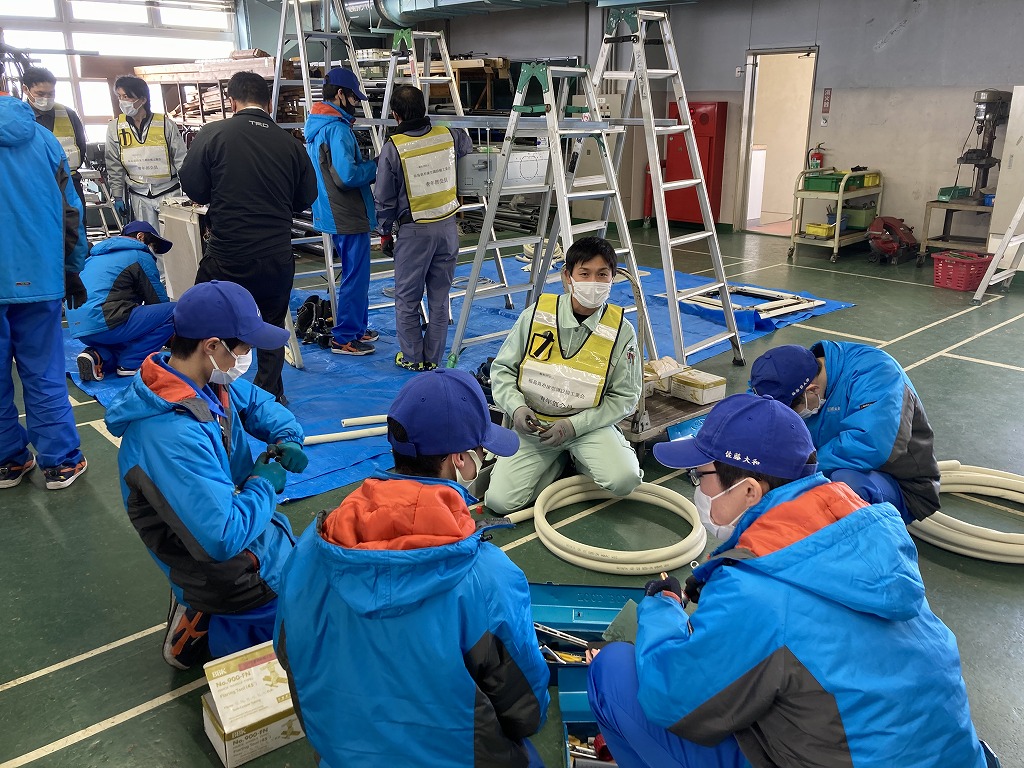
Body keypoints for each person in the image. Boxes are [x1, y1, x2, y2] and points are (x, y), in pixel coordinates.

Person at [586, 393, 991, 768]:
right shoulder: (868, 536)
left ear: (749, 491)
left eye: (699, 475)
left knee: (614, 672)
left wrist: (663, 608)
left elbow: (671, 698)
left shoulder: (755, 591)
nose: (697, 486)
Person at [274, 368, 550, 768]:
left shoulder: (309, 550)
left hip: (339, 753)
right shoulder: (488, 578)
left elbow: (288, 653)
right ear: (460, 459)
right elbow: (525, 710)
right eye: (481, 451)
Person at [104, 280, 308, 668]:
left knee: (301, 569)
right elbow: (221, 538)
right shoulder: (169, 434)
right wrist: (263, 483)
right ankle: (210, 624)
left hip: (233, 520)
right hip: (220, 564)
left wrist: (287, 437)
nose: (246, 357)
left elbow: (257, 403)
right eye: (243, 348)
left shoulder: (199, 382)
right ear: (212, 346)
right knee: (308, 619)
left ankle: (207, 613)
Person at [180, 71, 318, 404]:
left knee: (204, 321)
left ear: (232, 102)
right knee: (271, 325)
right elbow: (306, 197)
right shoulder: (290, 144)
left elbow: (193, 187)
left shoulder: (213, 134)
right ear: (268, 103)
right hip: (275, 254)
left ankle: (198, 392)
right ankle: (269, 398)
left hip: (228, 253)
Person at [484, 237, 642, 515]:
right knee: (499, 502)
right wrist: (516, 408)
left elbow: (625, 397)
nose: (593, 282)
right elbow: (502, 369)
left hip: (588, 427)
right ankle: (558, 462)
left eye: (602, 274)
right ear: (567, 277)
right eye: (584, 273)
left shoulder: (621, 331)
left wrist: (574, 427)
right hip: (534, 427)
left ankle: (579, 456)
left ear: (612, 278)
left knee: (624, 480)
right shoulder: (536, 315)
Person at [0, 96, 89, 490]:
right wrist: (72, 266)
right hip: (38, 277)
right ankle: (61, 462)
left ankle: (7, 460)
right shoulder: (43, 140)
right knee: (44, 373)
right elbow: (71, 211)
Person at [748, 341, 939, 523]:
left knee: (841, 486)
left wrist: (795, 473)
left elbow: (869, 445)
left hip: (902, 485)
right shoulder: (789, 375)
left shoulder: (877, 374)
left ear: (812, 391)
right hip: (833, 466)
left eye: (793, 411)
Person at [374, 84, 473, 371]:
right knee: (439, 299)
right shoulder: (449, 135)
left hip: (414, 231)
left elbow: (383, 197)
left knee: (407, 299)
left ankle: (413, 358)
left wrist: (384, 232)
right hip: (447, 229)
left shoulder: (394, 148)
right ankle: (433, 359)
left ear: (396, 115)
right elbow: (467, 147)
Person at [305, 67, 378, 356]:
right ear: (340, 95)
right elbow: (347, 176)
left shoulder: (318, 124)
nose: (356, 103)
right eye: (354, 97)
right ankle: (345, 336)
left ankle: (357, 328)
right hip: (347, 213)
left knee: (354, 273)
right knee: (355, 276)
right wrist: (377, 166)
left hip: (332, 210)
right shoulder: (337, 129)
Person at [69, 221, 175, 381]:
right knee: (175, 311)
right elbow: (158, 301)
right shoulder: (140, 255)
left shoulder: (95, 256)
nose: (152, 251)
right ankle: (132, 363)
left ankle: (97, 356)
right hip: (107, 320)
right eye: (153, 245)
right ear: (140, 237)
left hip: (79, 327)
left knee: (130, 324)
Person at [104, 75, 188, 268]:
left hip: (168, 191)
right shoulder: (115, 127)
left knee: (175, 242)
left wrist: (190, 191)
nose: (122, 101)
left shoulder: (164, 123)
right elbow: (113, 164)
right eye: (119, 97)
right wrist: (117, 195)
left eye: (127, 97)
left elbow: (181, 159)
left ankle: (178, 280)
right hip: (139, 193)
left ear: (142, 99)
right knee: (146, 243)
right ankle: (155, 280)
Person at [20, 67, 87, 202]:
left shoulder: (68, 114)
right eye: (40, 93)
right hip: (32, 187)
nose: (46, 98)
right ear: (26, 89)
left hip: (69, 185)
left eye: (51, 94)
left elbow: (81, 146)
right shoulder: (17, 117)